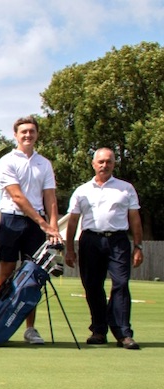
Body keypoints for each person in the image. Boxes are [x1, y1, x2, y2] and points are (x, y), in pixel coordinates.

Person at [64, 147, 143, 350]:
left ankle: (123, 333)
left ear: (114, 164)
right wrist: (69, 249)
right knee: (92, 285)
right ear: (93, 164)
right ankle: (99, 330)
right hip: (90, 240)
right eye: (101, 162)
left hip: (118, 241)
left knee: (121, 284)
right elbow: (72, 221)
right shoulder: (82, 191)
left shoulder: (126, 188)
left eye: (108, 161)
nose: (104, 165)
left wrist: (138, 246)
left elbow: (135, 219)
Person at [0, 116, 60, 345]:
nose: (28, 135)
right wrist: (44, 223)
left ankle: (30, 329)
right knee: (6, 274)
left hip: (36, 226)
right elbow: (17, 196)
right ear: (16, 135)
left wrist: (53, 227)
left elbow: (50, 197)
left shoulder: (44, 163)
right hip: (12, 220)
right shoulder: (7, 161)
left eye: (31, 131)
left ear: (37, 134)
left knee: (32, 277)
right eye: (23, 132)